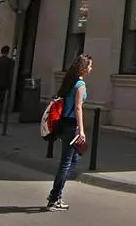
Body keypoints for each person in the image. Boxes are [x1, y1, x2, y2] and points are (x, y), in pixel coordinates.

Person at [46, 54, 91, 212]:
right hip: (72, 125)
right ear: (84, 68)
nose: (91, 69)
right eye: (90, 66)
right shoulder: (80, 85)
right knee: (67, 163)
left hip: (64, 124)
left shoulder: (69, 82)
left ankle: (55, 194)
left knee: (73, 159)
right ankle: (55, 197)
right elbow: (78, 108)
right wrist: (82, 130)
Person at [0, 45, 15, 122]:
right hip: (4, 83)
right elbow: (10, 74)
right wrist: (10, 85)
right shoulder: (10, 62)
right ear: (8, 52)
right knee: (0, 101)